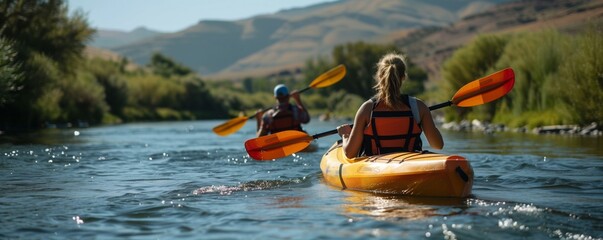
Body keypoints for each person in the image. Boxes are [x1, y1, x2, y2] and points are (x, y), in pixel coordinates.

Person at [336, 53, 443, 158]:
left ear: (379, 77)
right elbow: (438, 145)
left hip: (377, 167)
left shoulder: (367, 109)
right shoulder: (419, 107)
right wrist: (429, 122)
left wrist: (345, 135)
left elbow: (350, 153)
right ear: (403, 77)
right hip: (409, 163)